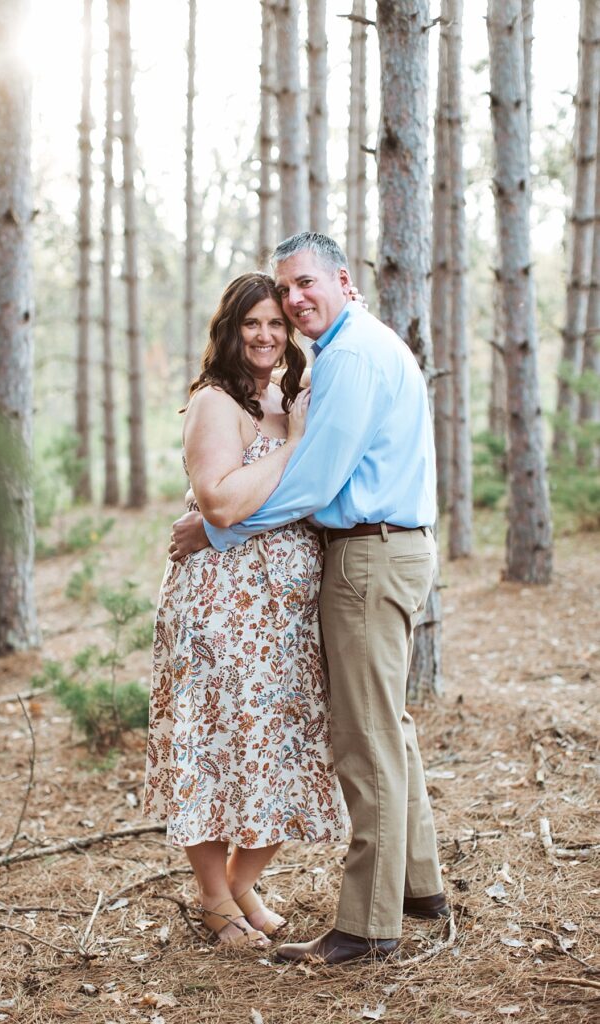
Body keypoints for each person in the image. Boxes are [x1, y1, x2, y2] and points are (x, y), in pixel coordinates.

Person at [168, 232, 449, 965]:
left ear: (341, 280)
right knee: (386, 725)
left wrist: (217, 532)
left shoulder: (350, 356)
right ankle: (418, 888)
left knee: (366, 741)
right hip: (378, 549)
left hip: (369, 555)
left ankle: (365, 925)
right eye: (282, 292)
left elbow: (317, 479)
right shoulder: (350, 352)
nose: (291, 304)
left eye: (302, 285)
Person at [142, 271, 349, 948]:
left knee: (282, 744)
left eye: (275, 324)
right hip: (221, 606)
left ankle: (235, 886)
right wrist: (291, 443)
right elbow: (221, 503)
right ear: (228, 331)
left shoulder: (288, 395)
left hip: (281, 615)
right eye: (250, 323)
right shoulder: (215, 401)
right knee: (212, 743)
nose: (264, 336)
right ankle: (212, 897)